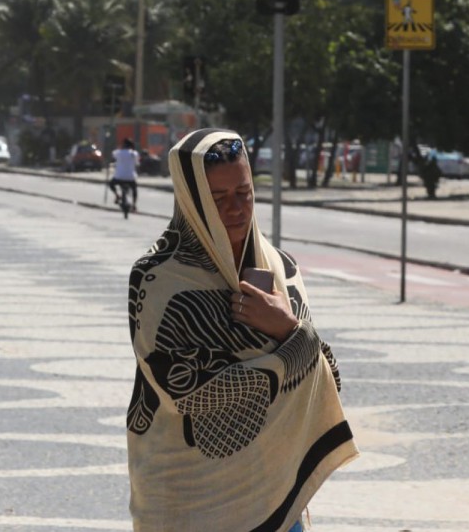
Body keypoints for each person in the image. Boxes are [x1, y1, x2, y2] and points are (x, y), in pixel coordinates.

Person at [126, 129, 356, 532]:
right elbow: (188, 394)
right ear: (191, 200)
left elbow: (328, 376)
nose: (236, 209)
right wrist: (293, 351)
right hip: (190, 503)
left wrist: (286, 326)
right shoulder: (157, 279)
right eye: (218, 199)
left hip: (276, 500)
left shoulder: (280, 269)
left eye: (244, 193)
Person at [109, 138, 140, 211]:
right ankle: (134, 205)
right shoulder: (134, 154)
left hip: (118, 177)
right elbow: (137, 163)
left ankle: (117, 195)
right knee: (134, 189)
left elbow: (113, 155)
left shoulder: (118, 152)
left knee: (111, 184)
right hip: (130, 177)